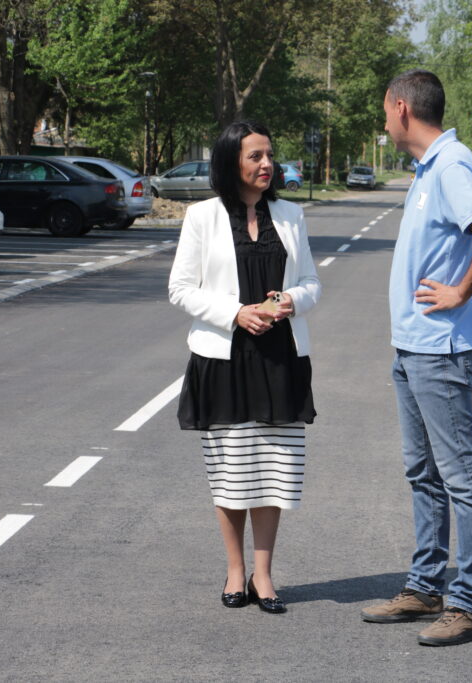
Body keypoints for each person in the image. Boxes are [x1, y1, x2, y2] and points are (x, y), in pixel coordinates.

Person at [360, 69, 472, 646]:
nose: (383, 121)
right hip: (413, 347)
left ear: (402, 108)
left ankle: (465, 603)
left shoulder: (451, 165)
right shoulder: (428, 168)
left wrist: (461, 292)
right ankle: (425, 587)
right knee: (423, 474)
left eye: (384, 110)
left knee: (462, 480)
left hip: (441, 350)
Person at [169, 120, 321, 614]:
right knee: (233, 473)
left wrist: (292, 299)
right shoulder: (202, 217)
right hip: (225, 359)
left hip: (281, 359)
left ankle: (264, 575)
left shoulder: (291, 215)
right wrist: (235, 313)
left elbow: (312, 282)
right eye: (255, 156)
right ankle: (236, 571)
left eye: (269, 155)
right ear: (231, 161)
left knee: (274, 471)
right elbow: (180, 289)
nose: (267, 164)